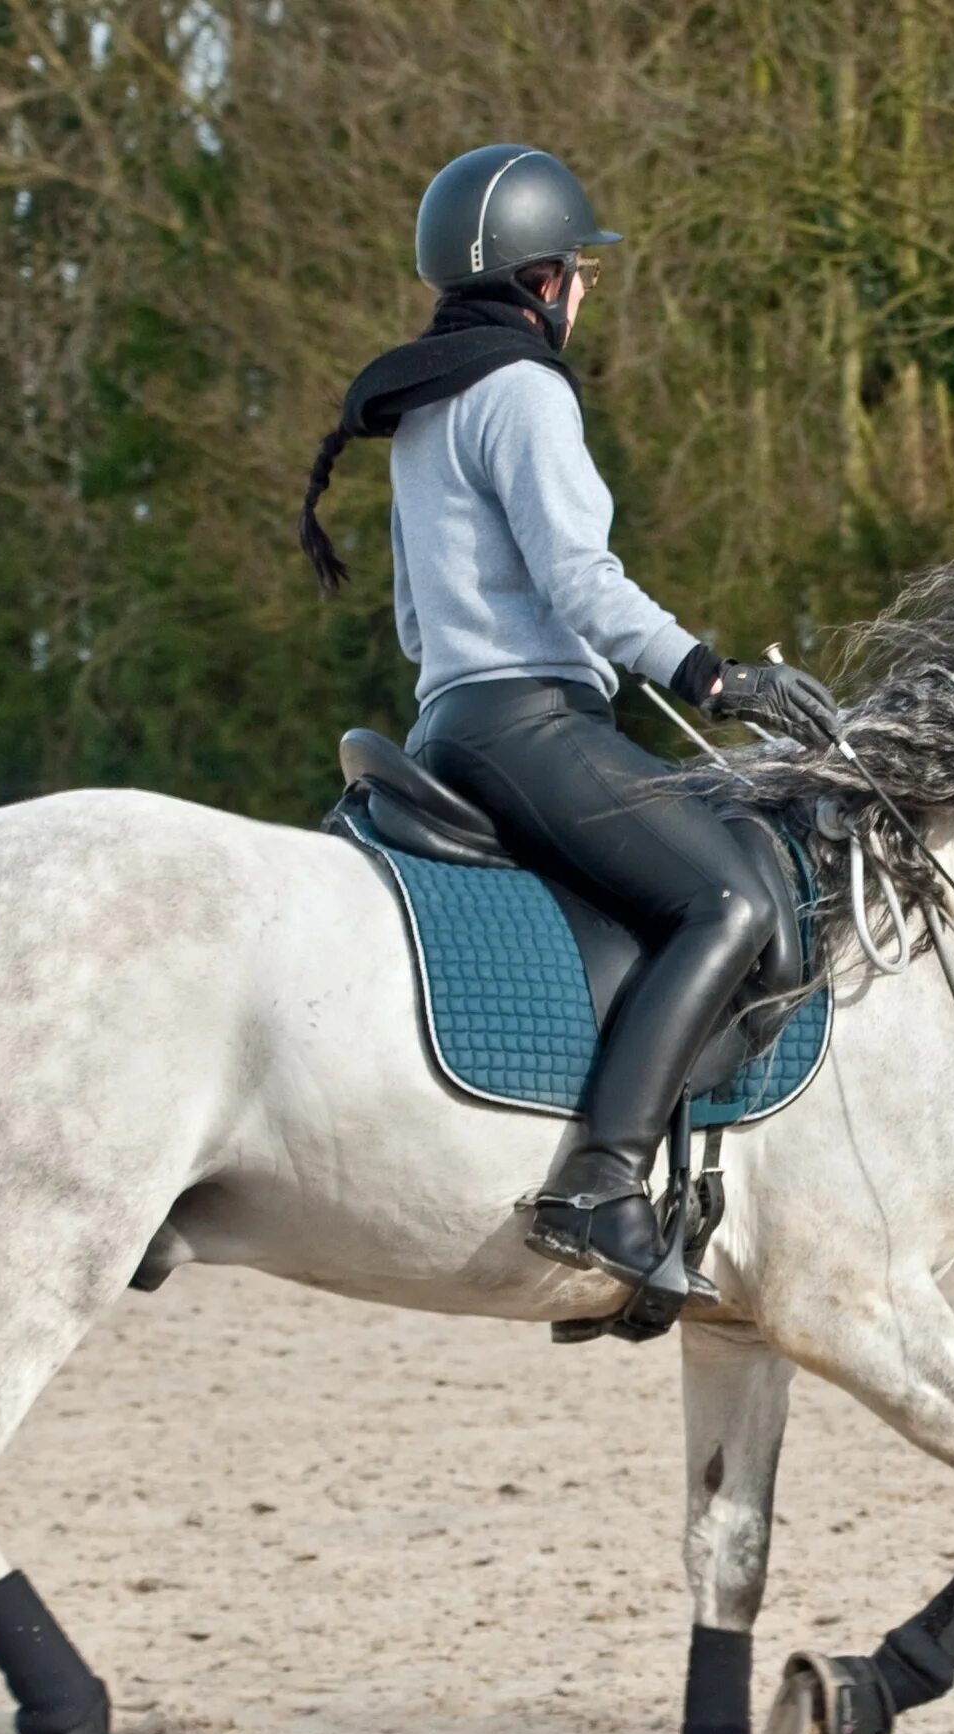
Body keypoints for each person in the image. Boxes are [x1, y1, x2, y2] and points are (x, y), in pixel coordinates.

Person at [298, 145, 839, 1302]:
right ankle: (597, 1182)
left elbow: (414, 620)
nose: (586, 294)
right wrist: (716, 680)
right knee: (734, 897)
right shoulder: (525, 392)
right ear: (546, 280)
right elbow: (582, 584)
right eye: (583, 273)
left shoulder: (431, 408)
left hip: (452, 722)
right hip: (531, 722)